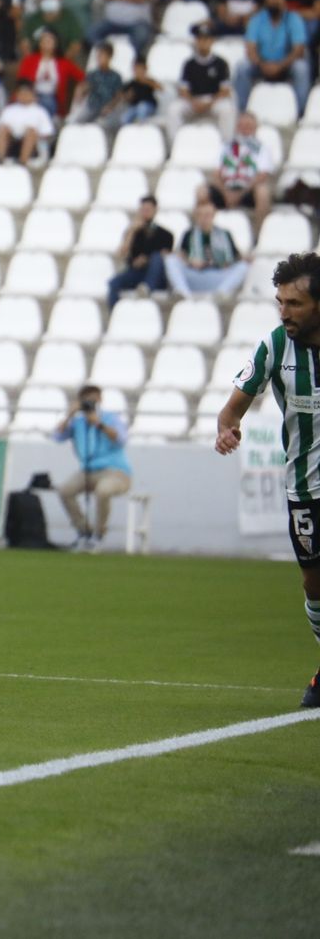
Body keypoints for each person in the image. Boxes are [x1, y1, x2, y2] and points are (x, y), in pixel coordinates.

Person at [215, 252, 320, 707]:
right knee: (313, 586)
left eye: (294, 303)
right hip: (305, 489)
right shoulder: (275, 347)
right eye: (280, 302)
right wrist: (226, 429)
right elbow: (231, 408)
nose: (284, 312)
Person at [53, 383, 132, 551]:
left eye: (93, 399)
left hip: (115, 471)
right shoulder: (78, 422)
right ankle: (84, 532)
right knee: (65, 491)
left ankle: (99, 535)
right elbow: (58, 437)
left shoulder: (111, 418)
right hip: (88, 470)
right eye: (86, 400)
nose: (89, 403)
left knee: (103, 491)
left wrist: (99, 424)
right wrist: (69, 415)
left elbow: (121, 440)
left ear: (100, 399)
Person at [236, 0, 312, 111]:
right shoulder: (257, 19)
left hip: (286, 65)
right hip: (262, 65)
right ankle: (242, 111)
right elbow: (250, 48)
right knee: (242, 67)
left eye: (277, 1)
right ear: (266, 2)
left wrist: (280, 66)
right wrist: (262, 64)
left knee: (301, 68)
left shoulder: (293, 19)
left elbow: (299, 49)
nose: (274, 4)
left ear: (283, 2)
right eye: (271, 1)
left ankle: (300, 113)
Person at [201, 112, 274, 225]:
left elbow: (262, 175)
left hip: (248, 190)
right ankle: (204, 230)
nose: (244, 130)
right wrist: (226, 193)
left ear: (255, 129)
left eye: (248, 126)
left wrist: (240, 194)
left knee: (263, 192)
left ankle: (259, 234)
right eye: (241, 126)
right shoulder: (224, 147)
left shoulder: (262, 149)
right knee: (201, 192)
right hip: (225, 189)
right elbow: (216, 173)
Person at [164, 201, 249, 298]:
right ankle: (183, 293)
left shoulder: (225, 234)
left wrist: (234, 260)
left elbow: (234, 256)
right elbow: (181, 255)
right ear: (196, 216)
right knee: (171, 260)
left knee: (243, 266)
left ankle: (221, 293)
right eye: (201, 215)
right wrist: (190, 261)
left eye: (207, 215)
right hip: (195, 274)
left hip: (218, 274)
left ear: (213, 215)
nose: (204, 218)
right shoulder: (189, 234)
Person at [167, 24, 237, 139]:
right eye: (200, 39)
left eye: (206, 39)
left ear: (212, 41)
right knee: (174, 109)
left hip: (213, 100)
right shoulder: (189, 64)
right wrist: (193, 102)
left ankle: (226, 145)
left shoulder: (220, 63)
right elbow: (183, 89)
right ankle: (175, 144)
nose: (203, 43)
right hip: (193, 100)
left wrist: (209, 103)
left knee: (227, 109)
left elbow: (225, 90)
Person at [106, 196, 173, 308]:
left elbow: (164, 256)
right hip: (136, 272)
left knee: (156, 258)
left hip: (154, 274)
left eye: (148, 209)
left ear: (155, 210)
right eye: (143, 209)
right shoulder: (133, 232)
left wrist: (146, 260)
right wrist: (132, 231)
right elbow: (121, 254)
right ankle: (115, 313)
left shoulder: (166, 234)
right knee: (113, 283)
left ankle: (147, 287)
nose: (145, 213)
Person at [0, 81, 55, 165]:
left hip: (33, 145)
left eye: (26, 93)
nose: (23, 96)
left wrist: (32, 134)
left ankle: (22, 163)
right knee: (4, 129)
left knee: (31, 132)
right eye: (21, 93)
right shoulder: (9, 109)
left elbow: (47, 133)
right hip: (12, 141)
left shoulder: (40, 111)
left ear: (33, 95)